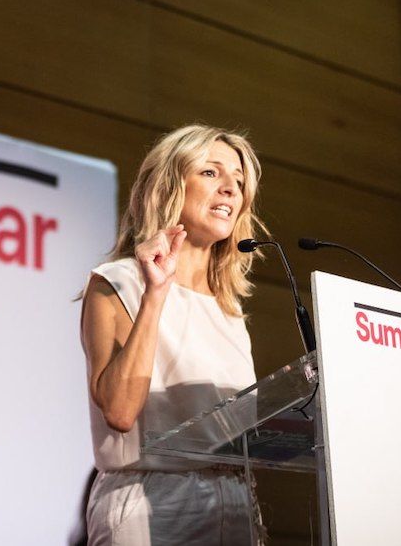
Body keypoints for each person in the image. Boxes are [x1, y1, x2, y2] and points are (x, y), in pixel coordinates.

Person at [80, 124, 268, 545]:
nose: (230, 188)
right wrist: (155, 294)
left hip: (235, 504)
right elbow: (120, 412)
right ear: (169, 186)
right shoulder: (118, 282)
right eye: (210, 172)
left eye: (238, 181)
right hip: (155, 503)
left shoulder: (229, 308)